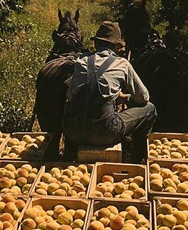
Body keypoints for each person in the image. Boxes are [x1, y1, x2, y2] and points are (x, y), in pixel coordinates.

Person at [63, 21, 157, 163]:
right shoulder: (122, 63)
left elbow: (70, 96)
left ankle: (68, 155)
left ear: (96, 44)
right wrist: (125, 98)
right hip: (104, 134)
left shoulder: (81, 61)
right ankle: (137, 160)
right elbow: (143, 97)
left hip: (73, 132)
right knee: (150, 108)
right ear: (117, 46)